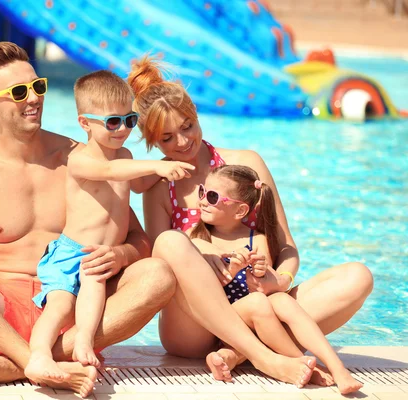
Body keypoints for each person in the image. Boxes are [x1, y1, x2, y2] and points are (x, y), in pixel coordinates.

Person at [0, 42, 178, 397]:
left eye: (37, 86)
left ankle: (21, 365)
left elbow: (140, 240)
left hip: (74, 312)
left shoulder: (83, 159)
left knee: (160, 275)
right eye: (18, 92)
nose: (33, 98)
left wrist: (121, 256)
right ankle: (30, 358)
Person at [127, 56, 373, 384]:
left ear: (196, 115)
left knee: (358, 277)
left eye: (187, 126)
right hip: (193, 330)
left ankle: (234, 351)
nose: (183, 142)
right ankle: (260, 354)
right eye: (167, 138)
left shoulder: (247, 164)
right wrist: (201, 255)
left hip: (258, 305)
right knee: (169, 243)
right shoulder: (159, 188)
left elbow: (286, 247)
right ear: (153, 140)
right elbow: (160, 271)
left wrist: (281, 280)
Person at [24, 70, 194, 385]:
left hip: (99, 255)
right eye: (112, 123)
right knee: (60, 306)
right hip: (70, 252)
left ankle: (84, 342)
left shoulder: (127, 155)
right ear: (84, 123)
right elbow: (110, 170)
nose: (122, 130)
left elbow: (140, 184)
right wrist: (157, 164)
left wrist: (170, 158)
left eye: (129, 121)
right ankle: (37, 355)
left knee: (93, 288)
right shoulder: (81, 160)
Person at [189, 164, 363, 394]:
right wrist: (232, 269)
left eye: (212, 196)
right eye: (202, 192)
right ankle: (304, 363)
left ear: (240, 211)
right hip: (220, 320)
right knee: (260, 304)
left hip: (255, 313)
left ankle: (337, 367)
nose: (202, 200)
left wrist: (261, 272)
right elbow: (205, 289)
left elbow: (262, 288)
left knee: (282, 301)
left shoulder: (256, 239)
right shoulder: (196, 236)